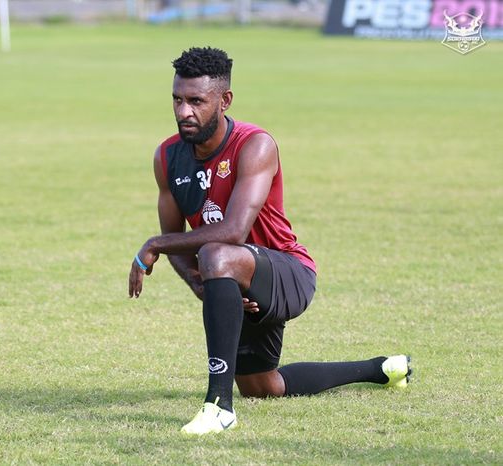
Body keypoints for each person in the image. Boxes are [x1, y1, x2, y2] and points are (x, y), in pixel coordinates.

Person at [128, 47, 411, 435]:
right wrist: (198, 282)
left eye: (196, 101)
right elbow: (182, 242)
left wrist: (155, 244)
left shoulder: (255, 144)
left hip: (288, 272)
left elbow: (233, 232)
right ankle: (380, 369)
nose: (183, 112)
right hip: (235, 278)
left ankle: (218, 407)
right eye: (177, 100)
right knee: (263, 387)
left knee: (217, 252)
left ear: (224, 100)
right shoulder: (167, 157)